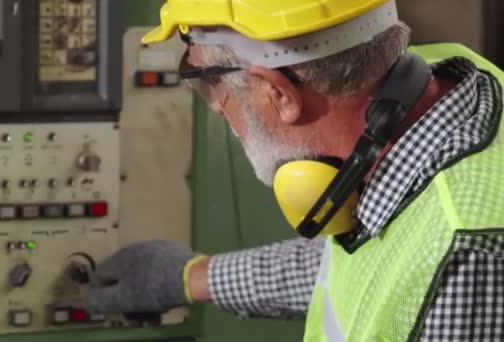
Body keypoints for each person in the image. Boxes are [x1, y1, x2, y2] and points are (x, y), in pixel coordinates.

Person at [87, 0, 504, 340]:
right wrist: (196, 278)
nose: (215, 104)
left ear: (279, 93)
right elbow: (370, 268)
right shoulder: (446, 86)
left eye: (208, 83)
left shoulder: (468, 257)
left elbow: (418, 272)